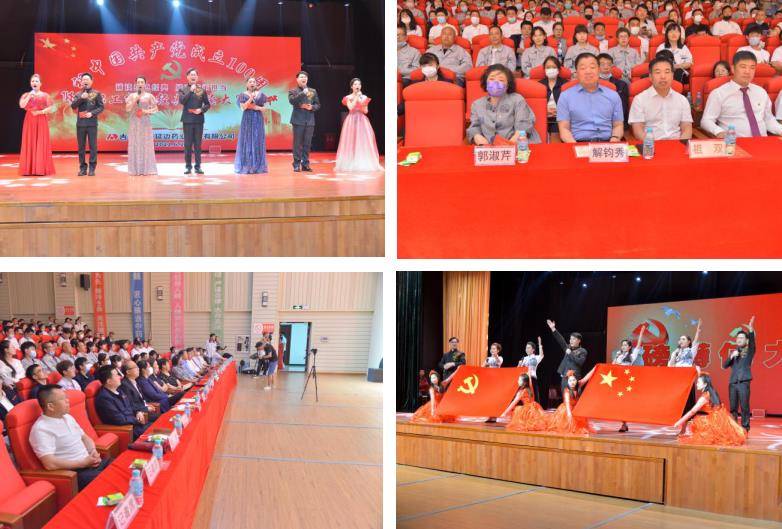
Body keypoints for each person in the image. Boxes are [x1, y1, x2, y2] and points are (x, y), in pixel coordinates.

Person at [29, 385, 111, 490]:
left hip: (90, 463)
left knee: (123, 468)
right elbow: (49, 463)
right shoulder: (41, 429)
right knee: (112, 483)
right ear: (50, 406)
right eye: (63, 399)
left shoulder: (68, 417)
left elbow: (85, 438)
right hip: (75, 472)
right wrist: (83, 463)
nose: (68, 401)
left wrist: (93, 451)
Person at [701, 51, 782, 138]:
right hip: (735, 142)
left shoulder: (761, 92)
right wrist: (719, 132)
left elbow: (768, 119)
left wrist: (780, 130)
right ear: (733, 69)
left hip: (763, 141)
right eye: (743, 67)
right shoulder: (719, 93)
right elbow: (706, 121)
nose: (747, 71)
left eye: (752, 68)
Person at [557, 53, 624, 143]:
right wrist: (574, 145)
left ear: (599, 70)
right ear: (576, 72)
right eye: (583, 68)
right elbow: (564, 128)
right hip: (578, 143)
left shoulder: (613, 95)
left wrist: (614, 140)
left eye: (592, 67)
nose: (588, 71)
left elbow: (618, 125)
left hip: (607, 143)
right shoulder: (565, 96)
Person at [467, 64, 540, 145]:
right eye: (491, 79)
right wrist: (479, 139)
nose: (495, 83)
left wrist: (508, 146)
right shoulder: (477, 104)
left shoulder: (517, 100)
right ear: (486, 83)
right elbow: (474, 128)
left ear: (507, 85)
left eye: (501, 80)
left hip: (518, 146)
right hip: (489, 149)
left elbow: (523, 127)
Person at [629, 57, 693, 140]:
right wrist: (651, 145)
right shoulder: (639, 100)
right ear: (650, 77)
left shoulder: (682, 100)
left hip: (677, 143)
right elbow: (638, 130)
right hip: (651, 144)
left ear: (672, 76)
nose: (663, 76)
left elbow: (687, 126)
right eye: (658, 72)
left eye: (667, 72)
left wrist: (681, 144)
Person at [674, 374, 746, 446]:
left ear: (705, 384)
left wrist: (680, 421)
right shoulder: (712, 391)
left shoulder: (705, 397)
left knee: (697, 422)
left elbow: (692, 411)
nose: (696, 384)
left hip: (715, 420)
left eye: (698, 382)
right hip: (722, 418)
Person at [335, 78, 382, 173]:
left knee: (362, 141)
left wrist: (362, 103)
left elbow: (366, 111)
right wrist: (356, 97)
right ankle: (350, 162)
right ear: (351, 86)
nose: (357, 86)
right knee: (351, 141)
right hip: (351, 119)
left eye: (359, 84)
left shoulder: (364, 97)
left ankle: (361, 161)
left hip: (362, 120)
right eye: (355, 84)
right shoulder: (347, 97)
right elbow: (351, 108)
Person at [93, 365, 149, 440]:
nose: (120, 377)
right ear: (109, 381)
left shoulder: (119, 390)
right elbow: (119, 419)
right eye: (116, 375)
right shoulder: (104, 398)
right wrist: (137, 420)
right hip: (128, 430)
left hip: (136, 424)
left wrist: (138, 412)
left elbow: (130, 406)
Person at [722, 316, 755, 431]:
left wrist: (751, 330)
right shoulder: (733, 352)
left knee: (744, 407)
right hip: (733, 383)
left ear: (746, 340)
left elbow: (752, 344)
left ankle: (745, 428)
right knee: (733, 408)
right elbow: (725, 366)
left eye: (742, 338)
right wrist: (731, 356)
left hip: (744, 382)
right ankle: (734, 428)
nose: (739, 339)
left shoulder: (749, 351)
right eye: (738, 338)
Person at [18, 74, 55, 176]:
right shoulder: (26, 95)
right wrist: (29, 96)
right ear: (30, 83)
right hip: (29, 120)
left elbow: (50, 108)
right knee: (29, 141)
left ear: (40, 83)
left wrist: (39, 112)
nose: (34, 83)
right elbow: (21, 105)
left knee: (40, 141)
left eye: (36, 81)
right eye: (33, 81)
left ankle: (40, 168)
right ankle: (29, 169)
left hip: (41, 120)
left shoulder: (45, 95)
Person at [177, 68, 211, 175]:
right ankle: (188, 167)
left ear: (197, 77)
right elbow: (182, 101)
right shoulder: (183, 89)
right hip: (187, 120)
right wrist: (190, 91)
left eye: (195, 75)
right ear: (187, 77)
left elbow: (207, 104)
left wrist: (201, 109)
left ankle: (198, 166)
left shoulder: (201, 90)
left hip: (198, 120)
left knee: (197, 145)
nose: (193, 76)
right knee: (187, 145)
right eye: (191, 75)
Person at [70, 73, 104, 176]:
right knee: (81, 147)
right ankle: (82, 168)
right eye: (83, 79)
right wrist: (81, 98)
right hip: (81, 124)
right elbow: (73, 106)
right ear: (81, 82)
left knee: (93, 147)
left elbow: (101, 107)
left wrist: (92, 113)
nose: (85, 81)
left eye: (87, 79)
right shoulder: (78, 94)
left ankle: (92, 168)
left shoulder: (96, 93)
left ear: (91, 81)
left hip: (92, 124)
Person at [234, 77, 269, 174]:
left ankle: (257, 166)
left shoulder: (261, 95)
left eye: (254, 82)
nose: (252, 83)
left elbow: (265, 108)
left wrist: (256, 107)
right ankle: (247, 165)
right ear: (246, 84)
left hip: (258, 120)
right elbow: (243, 108)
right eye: (250, 82)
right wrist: (250, 99)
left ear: (256, 84)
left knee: (257, 140)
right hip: (247, 120)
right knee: (247, 140)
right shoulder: (242, 95)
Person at [125, 76, 158, 176]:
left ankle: (146, 169)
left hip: (145, 123)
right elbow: (127, 109)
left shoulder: (149, 96)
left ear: (145, 84)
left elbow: (156, 109)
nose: (140, 84)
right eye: (138, 82)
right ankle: (135, 170)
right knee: (135, 143)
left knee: (146, 144)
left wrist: (146, 111)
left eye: (142, 82)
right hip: (134, 123)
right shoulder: (132, 96)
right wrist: (134, 100)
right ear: (135, 84)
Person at [288, 71, 320, 172]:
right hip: (298, 120)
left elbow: (318, 104)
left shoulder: (313, 91)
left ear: (307, 79)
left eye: (305, 77)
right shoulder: (293, 91)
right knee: (297, 144)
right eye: (301, 77)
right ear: (297, 79)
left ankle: (305, 164)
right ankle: (296, 164)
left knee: (307, 144)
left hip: (310, 121)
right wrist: (303, 93)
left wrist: (312, 107)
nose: (303, 78)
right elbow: (292, 101)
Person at [547, 319, 588, 387]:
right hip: (565, 375)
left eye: (573, 339)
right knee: (564, 392)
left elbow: (580, 362)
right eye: (570, 339)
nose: (571, 341)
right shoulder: (568, 347)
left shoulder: (583, 351)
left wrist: (570, 353)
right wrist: (553, 329)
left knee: (573, 393)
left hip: (574, 376)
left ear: (579, 341)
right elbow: (561, 340)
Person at [597, 53, 630, 120]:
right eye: (602, 64)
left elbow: (622, 107)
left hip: (616, 120)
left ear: (612, 66)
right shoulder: (592, 84)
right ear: (596, 66)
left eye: (609, 64)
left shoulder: (622, 84)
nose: (606, 67)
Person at [518, 337, 544, 405]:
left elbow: (541, 355)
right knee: (524, 395)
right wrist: (519, 364)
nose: (527, 349)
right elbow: (518, 369)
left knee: (534, 394)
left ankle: (535, 409)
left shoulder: (536, 357)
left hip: (532, 378)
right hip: (524, 379)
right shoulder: (524, 358)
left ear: (533, 349)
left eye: (529, 348)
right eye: (526, 348)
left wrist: (540, 344)